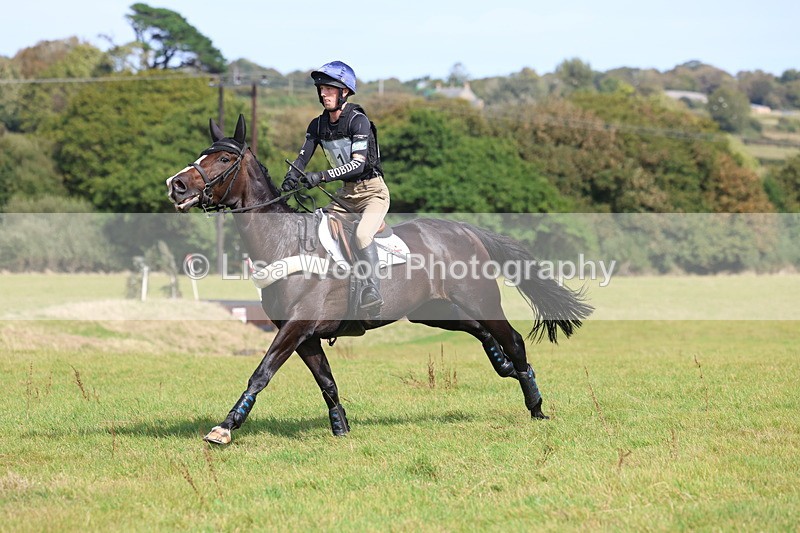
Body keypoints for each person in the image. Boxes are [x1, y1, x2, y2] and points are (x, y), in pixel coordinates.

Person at [281, 61, 390, 315]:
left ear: (345, 92)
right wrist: (291, 177)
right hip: (346, 195)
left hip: (372, 193)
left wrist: (321, 176)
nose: (323, 94)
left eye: (329, 89)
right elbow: (302, 158)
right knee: (315, 226)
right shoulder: (317, 125)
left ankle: (372, 291)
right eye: (321, 89)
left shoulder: (358, 121)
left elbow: (357, 165)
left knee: (362, 235)